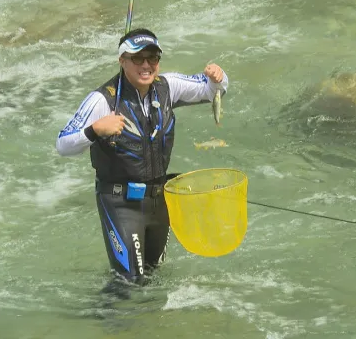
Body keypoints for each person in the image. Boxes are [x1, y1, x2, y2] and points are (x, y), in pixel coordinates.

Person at [56, 28, 228, 288]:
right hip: (120, 202)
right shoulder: (102, 100)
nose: (146, 65)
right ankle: (105, 322)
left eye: (153, 58)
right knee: (129, 283)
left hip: (160, 200)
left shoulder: (168, 87)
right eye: (138, 58)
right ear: (122, 61)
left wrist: (219, 76)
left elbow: (212, 90)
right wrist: (96, 130)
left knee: (153, 279)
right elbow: (63, 144)